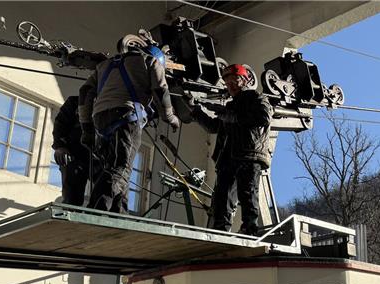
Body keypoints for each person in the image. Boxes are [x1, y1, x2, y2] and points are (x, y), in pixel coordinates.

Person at [78, 38, 179, 214]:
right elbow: (161, 92)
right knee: (120, 169)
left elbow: (84, 93)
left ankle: (120, 214)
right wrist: (171, 118)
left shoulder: (104, 65)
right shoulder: (151, 62)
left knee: (114, 168)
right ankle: (96, 211)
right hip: (126, 117)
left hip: (100, 119)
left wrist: (86, 128)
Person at [190, 63, 273, 235]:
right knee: (223, 199)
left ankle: (250, 229)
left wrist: (232, 117)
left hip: (248, 155)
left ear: (244, 80)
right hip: (228, 158)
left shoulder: (257, 98)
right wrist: (196, 111)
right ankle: (221, 232)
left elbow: (264, 118)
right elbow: (214, 127)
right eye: (227, 83)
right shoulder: (229, 107)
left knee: (248, 194)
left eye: (234, 81)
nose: (231, 86)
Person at [51, 96, 88, 206]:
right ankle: (70, 210)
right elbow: (60, 124)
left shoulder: (107, 105)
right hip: (74, 153)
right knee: (72, 196)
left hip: (98, 157)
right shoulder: (75, 102)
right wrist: (60, 146)